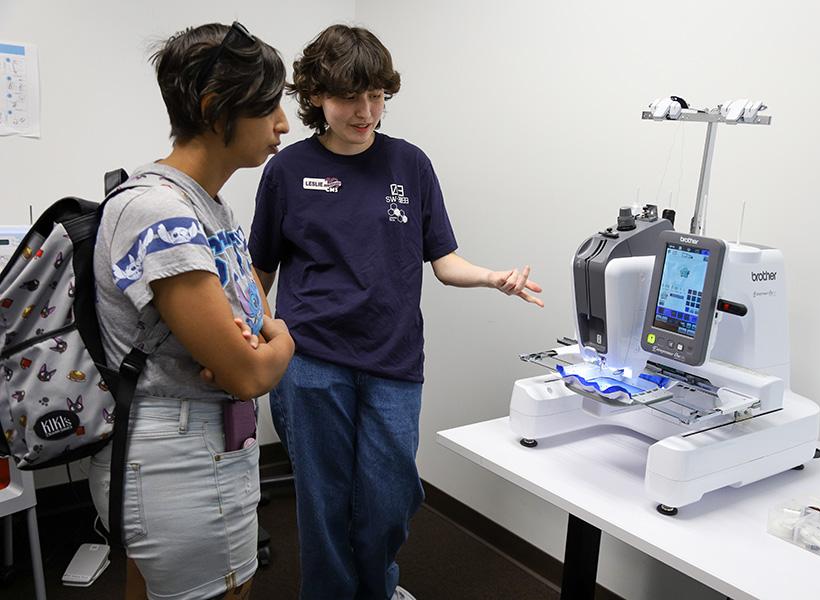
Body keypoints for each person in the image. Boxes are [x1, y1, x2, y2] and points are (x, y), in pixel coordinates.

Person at [249, 24, 543, 600]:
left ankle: (377, 586)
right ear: (315, 97)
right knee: (324, 500)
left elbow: (445, 259)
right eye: (350, 97)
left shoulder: (410, 164)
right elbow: (259, 271)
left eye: (377, 97)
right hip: (311, 360)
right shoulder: (285, 171)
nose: (365, 112)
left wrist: (493, 279)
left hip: (393, 357)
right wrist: (268, 333)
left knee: (389, 495)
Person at [88, 22, 295, 600]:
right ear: (213, 108)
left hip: (200, 443)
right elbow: (249, 369)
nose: (283, 124)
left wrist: (254, 343)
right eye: (268, 107)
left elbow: (246, 324)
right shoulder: (160, 211)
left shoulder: (209, 206)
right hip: (178, 453)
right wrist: (283, 344)